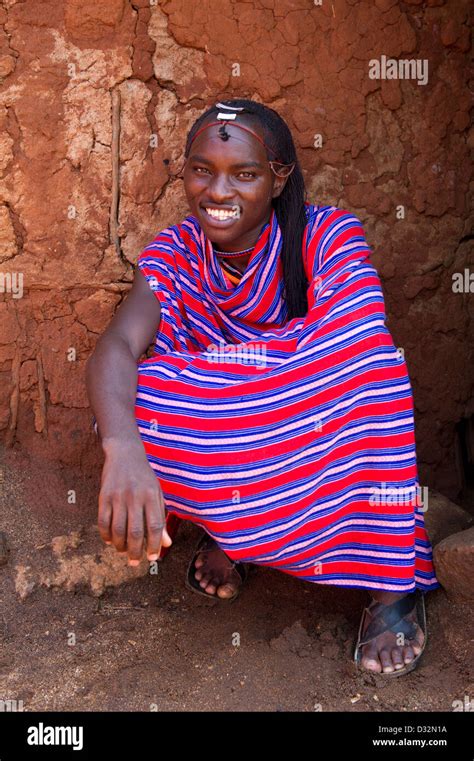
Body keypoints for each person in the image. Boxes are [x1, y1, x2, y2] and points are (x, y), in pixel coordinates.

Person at [85, 98, 440, 677]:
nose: (218, 191)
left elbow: (353, 344)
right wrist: (122, 448)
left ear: (278, 179)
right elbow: (115, 349)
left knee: (374, 374)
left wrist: (232, 383)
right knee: (127, 406)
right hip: (256, 422)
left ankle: (392, 583)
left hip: (318, 431)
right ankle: (237, 534)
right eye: (202, 169)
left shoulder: (328, 233)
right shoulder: (175, 253)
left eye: (244, 174)